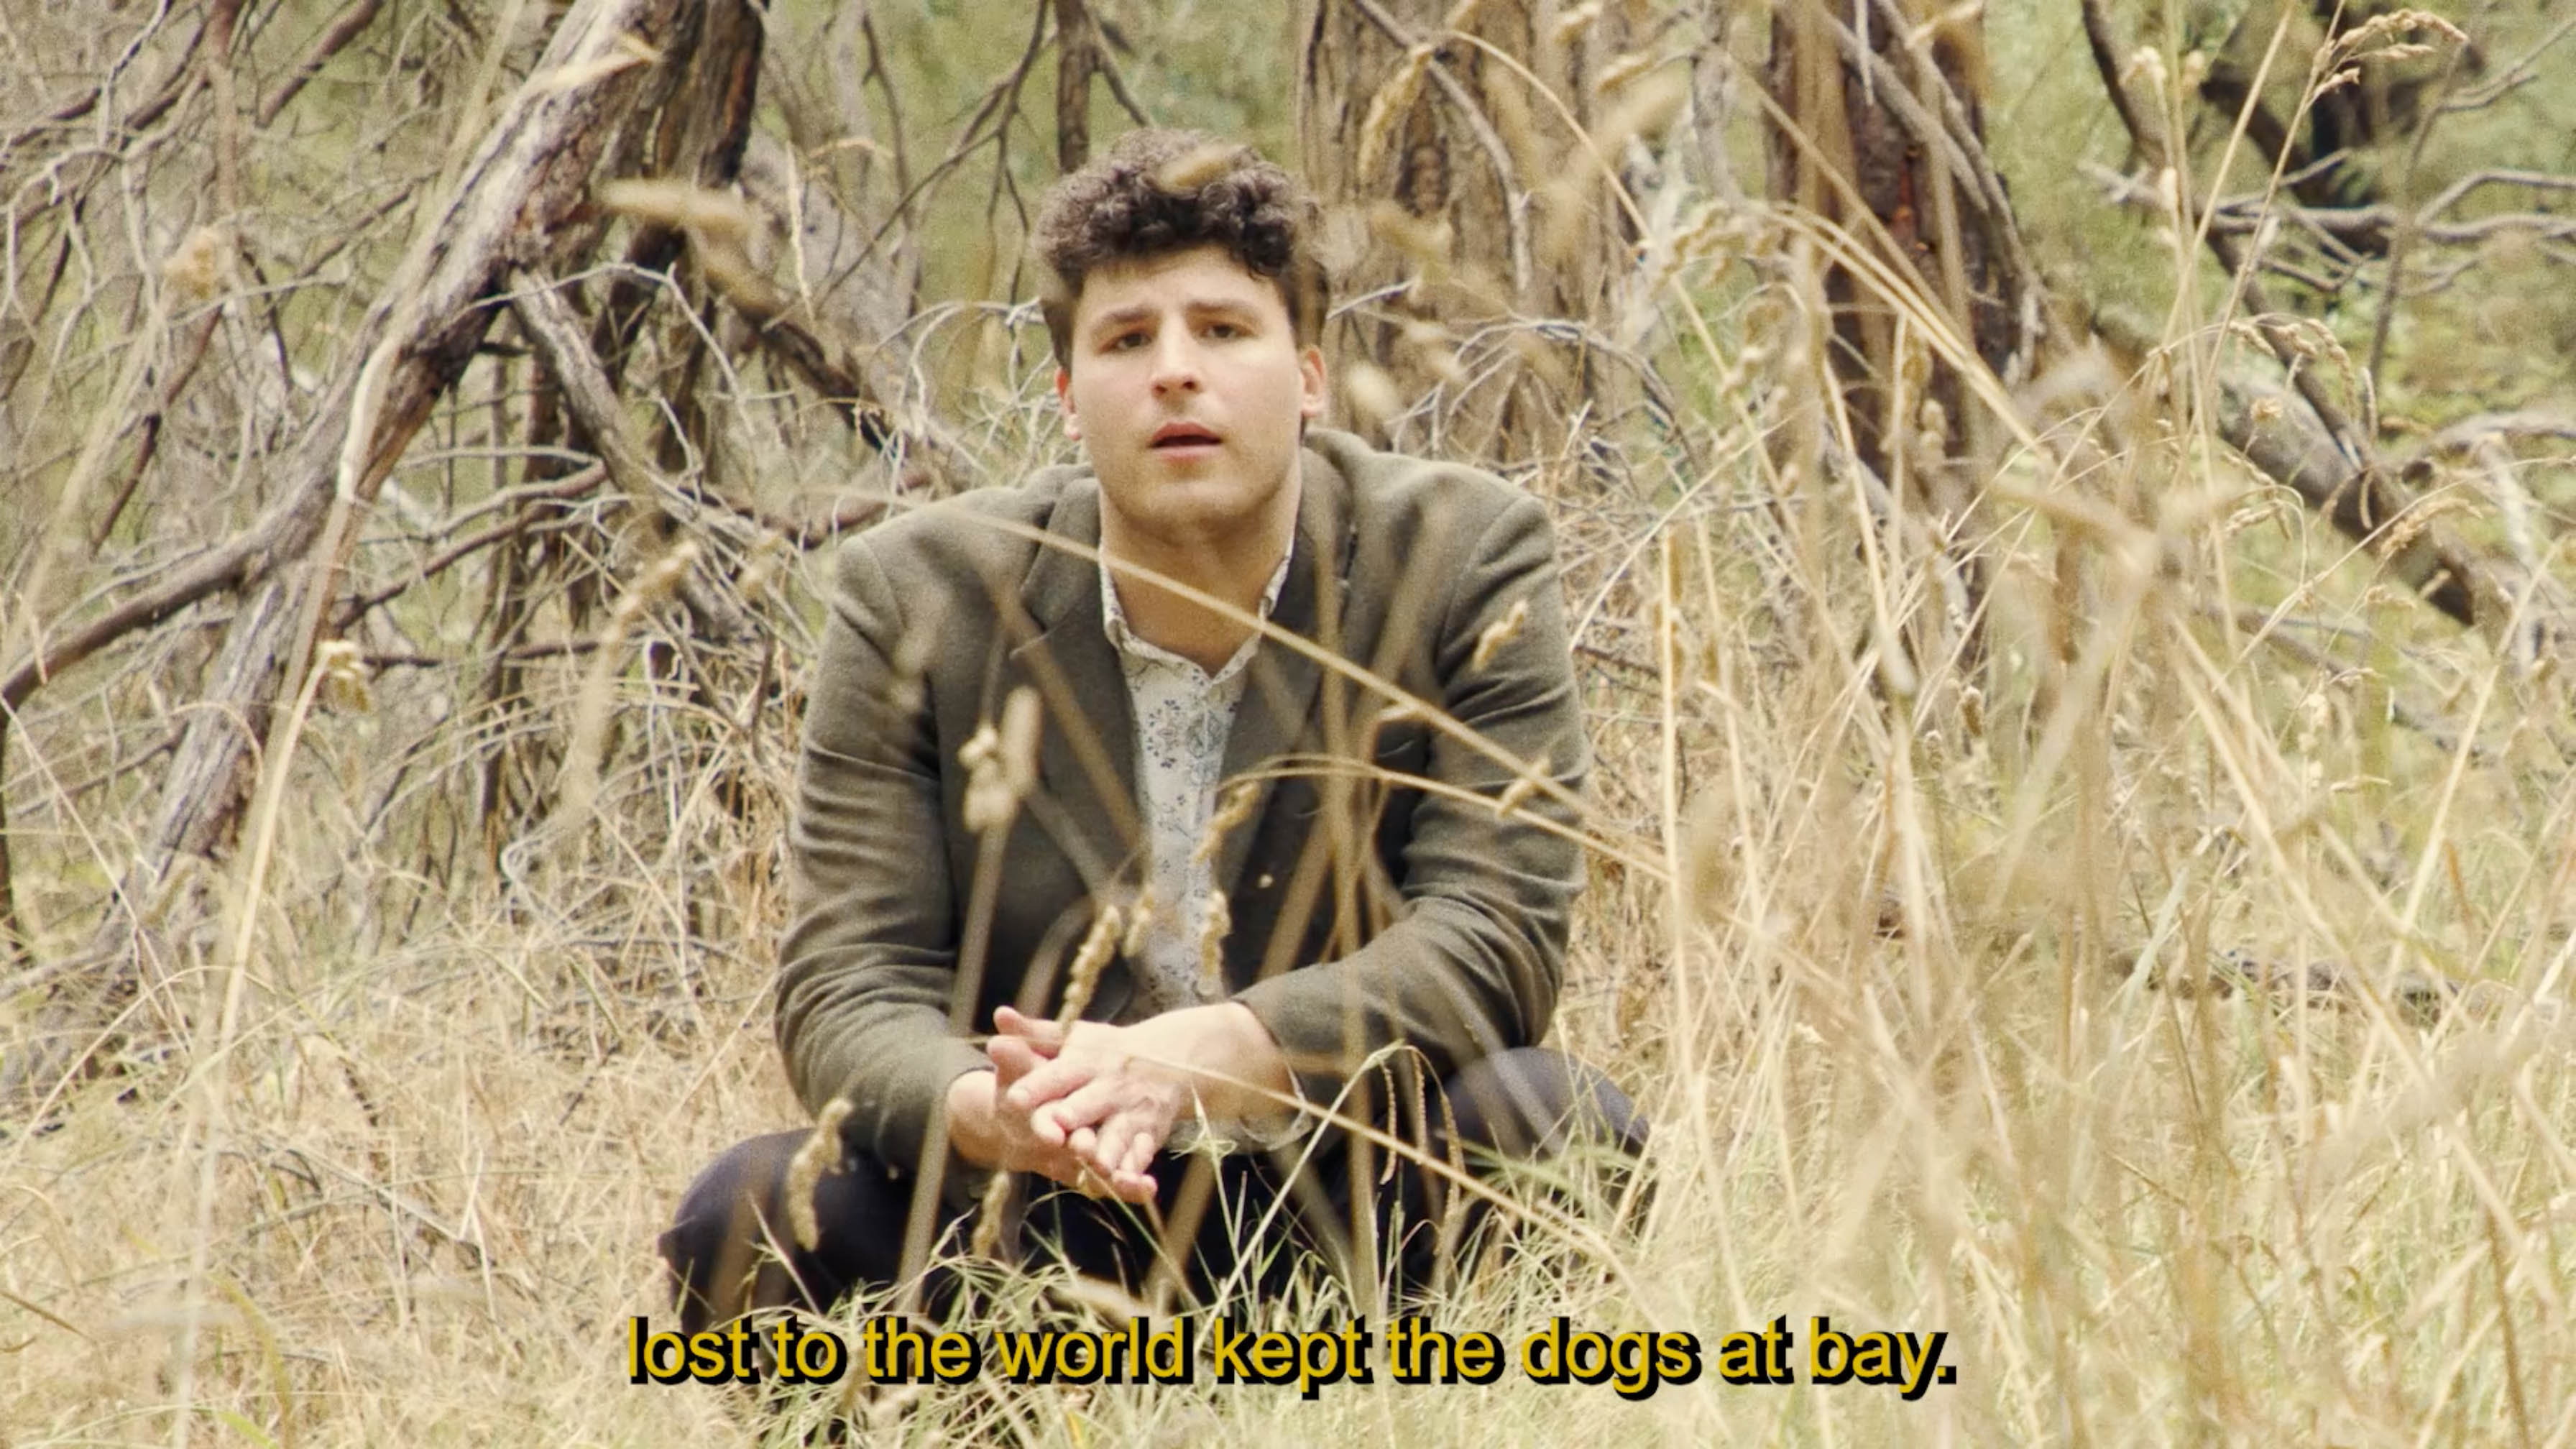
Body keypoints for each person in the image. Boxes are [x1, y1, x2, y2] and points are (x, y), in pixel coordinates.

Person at [660, 129, 1644, 1343]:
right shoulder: (915, 596)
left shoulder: (1459, 555)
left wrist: (1211, 1053)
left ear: (1312, 378)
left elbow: (1496, 937)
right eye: (1127, 341)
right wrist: (986, 1112)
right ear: (1069, 400)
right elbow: (848, 984)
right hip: (1046, 1210)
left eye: (1223, 330)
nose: (1176, 373)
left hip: (1352, 1185)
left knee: (1554, 1122)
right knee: (752, 1215)